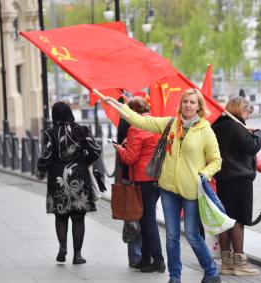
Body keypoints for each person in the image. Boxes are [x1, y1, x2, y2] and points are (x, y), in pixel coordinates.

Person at [105, 88, 223, 283]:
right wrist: (117, 105)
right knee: (171, 237)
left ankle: (211, 272)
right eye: (185, 101)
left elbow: (216, 160)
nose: (187, 105)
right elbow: (140, 121)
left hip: (191, 191)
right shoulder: (170, 124)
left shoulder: (205, 130)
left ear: (199, 106)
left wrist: (204, 174)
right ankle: (174, 277)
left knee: (193, 235)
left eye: (192, 102)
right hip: (168, 189)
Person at [211, 96, 261, 276]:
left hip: (222, 179)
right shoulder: (236, 126)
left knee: (225, 220)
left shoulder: (216, 127)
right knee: (238, 220)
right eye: (248, 112)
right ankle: (239, 263)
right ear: (241, 110)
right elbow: (251, 146)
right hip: (239, 180)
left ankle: (226, 262)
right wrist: (259, 133)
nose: (248, 117)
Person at [36, 101, 101, 265]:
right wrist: (85, 162)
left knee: (61, 215)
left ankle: (63, 246)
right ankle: (77, 255)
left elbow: (46, 155)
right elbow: (95, 150)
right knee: (78, 217)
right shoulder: (82, 129)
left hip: (57, 177)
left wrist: (41, 170)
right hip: (78, 174)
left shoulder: (50, 133)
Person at [113, 96, 166, 273]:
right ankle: (145, 257)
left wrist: (120, 149)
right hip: (157, 176)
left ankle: (157, 259)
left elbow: (130, 157)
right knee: (145, 218)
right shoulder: (155, 123)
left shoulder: (136, 128)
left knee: (147, 219)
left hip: (143, 178)